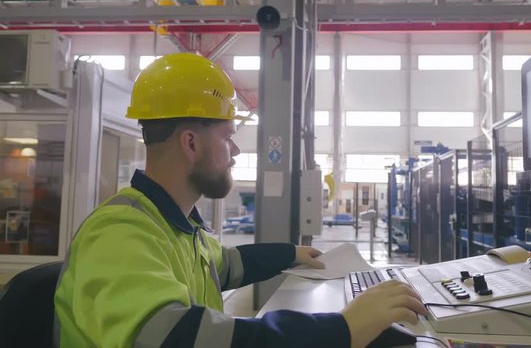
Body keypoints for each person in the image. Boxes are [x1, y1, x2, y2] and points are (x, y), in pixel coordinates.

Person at [54, 53, 427, 348]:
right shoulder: (120, 233)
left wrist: (290, 254)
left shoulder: (176, 226)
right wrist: (342, 329)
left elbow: (228, 264)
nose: (234, 150)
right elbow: (177, 338)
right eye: (227, 136)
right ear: (191, 142)